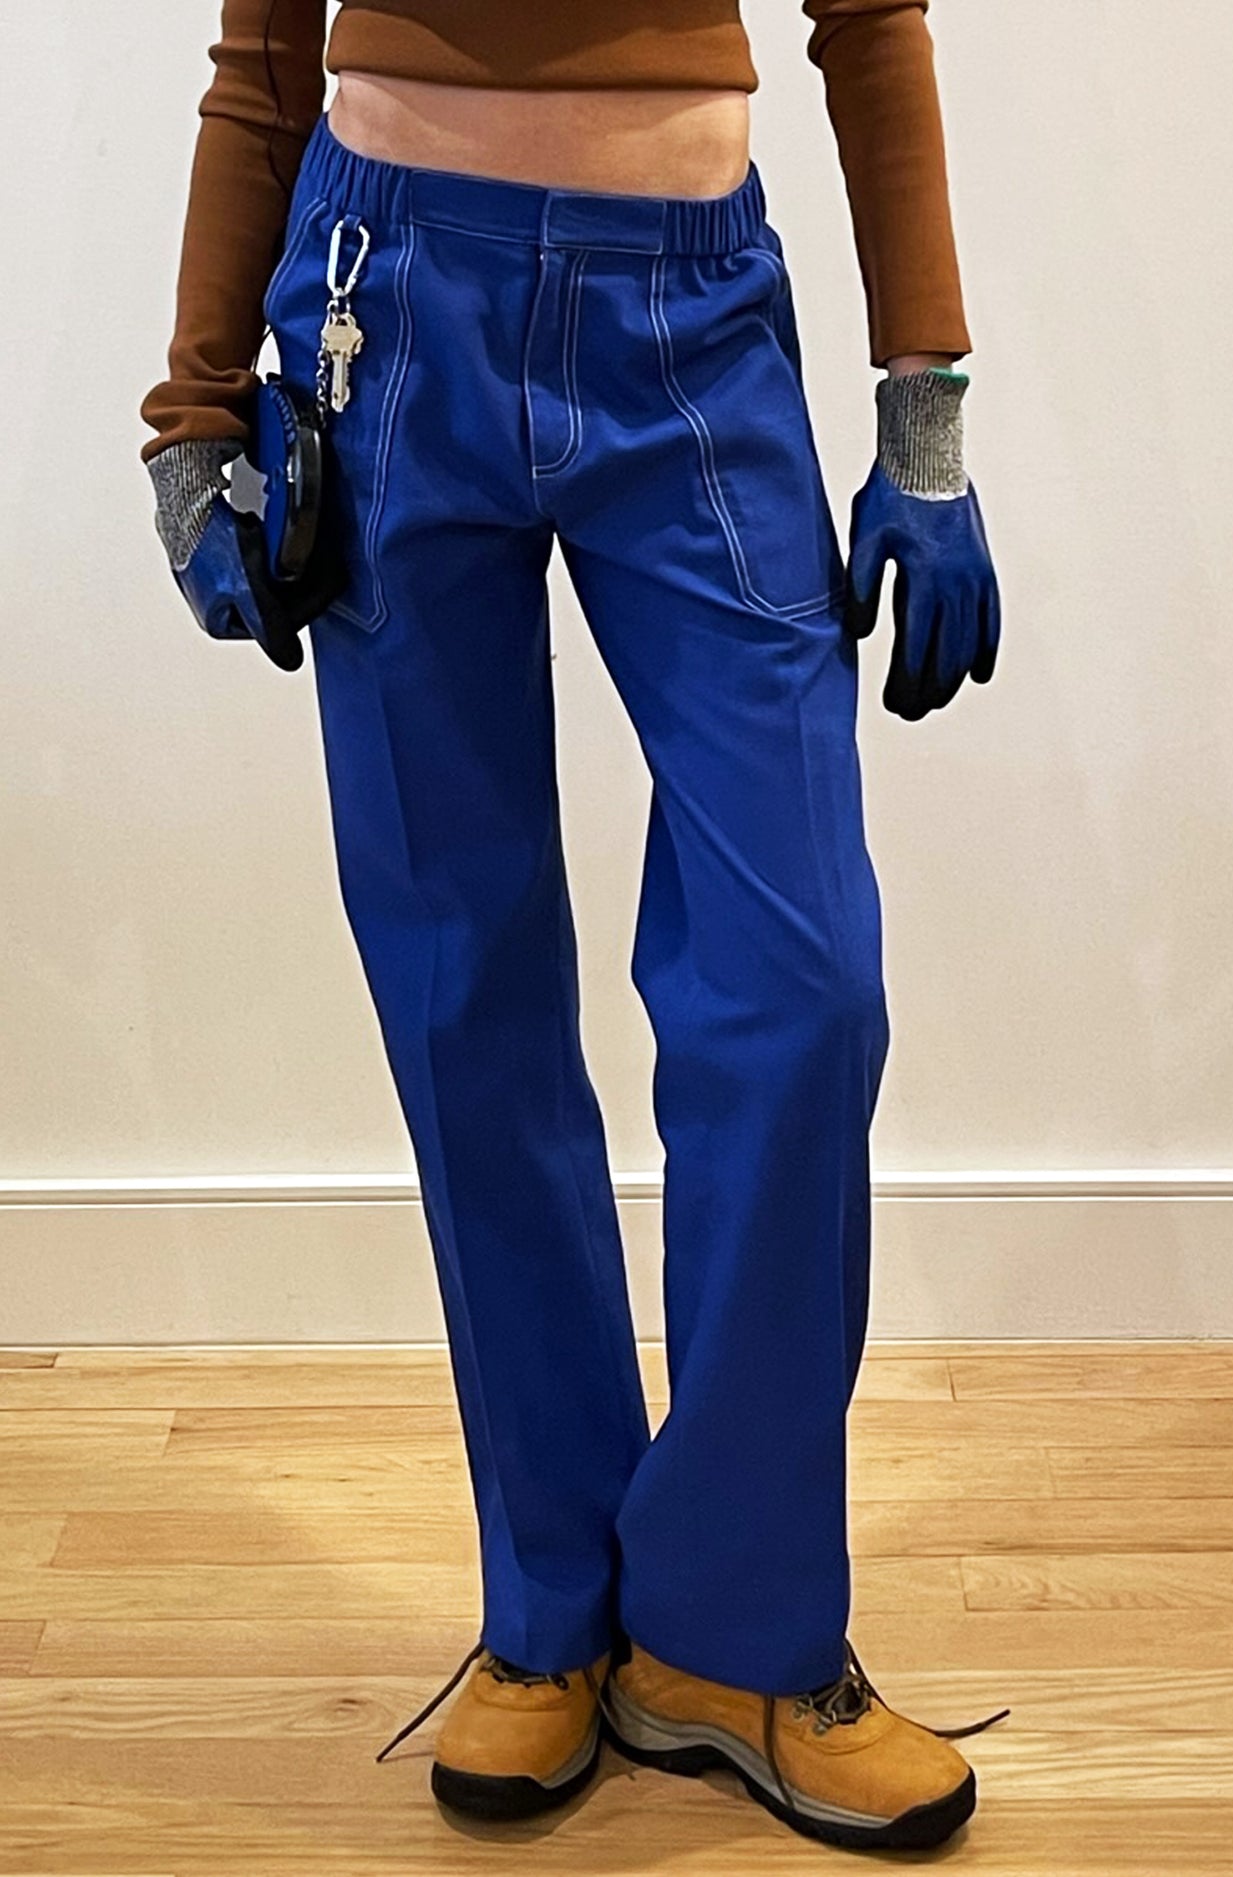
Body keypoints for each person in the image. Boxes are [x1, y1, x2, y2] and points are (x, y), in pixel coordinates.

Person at [140, 0, 1002, 1856]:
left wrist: (922, 412)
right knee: (463, 993)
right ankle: (550, 1608)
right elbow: (262, 54)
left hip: (689, 318)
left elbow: (869, 16)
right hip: (386, 316)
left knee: (803, 987)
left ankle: (735, 1632)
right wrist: (194, 412)